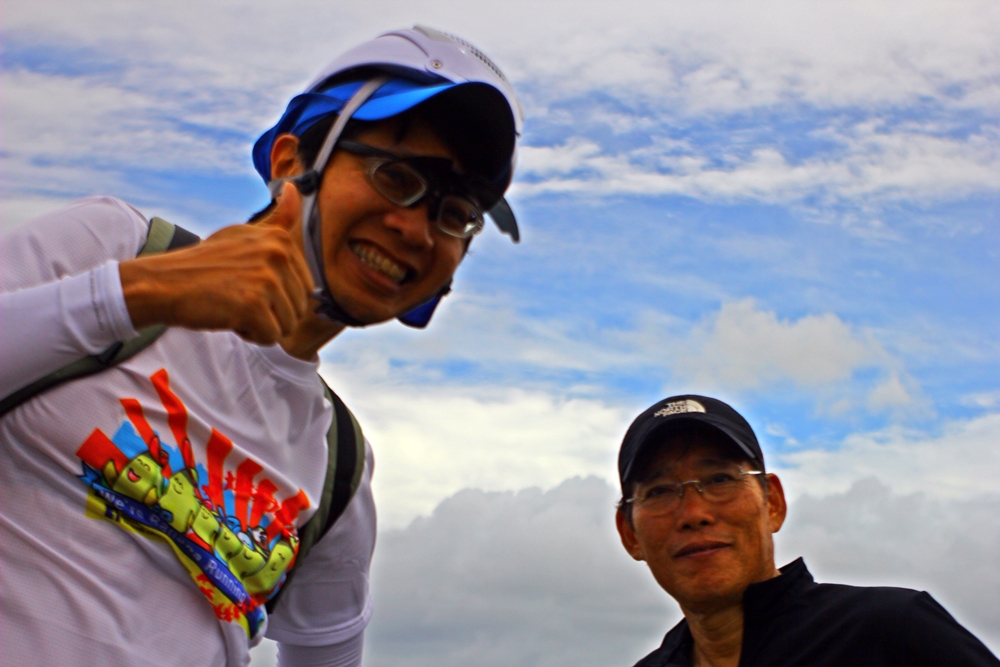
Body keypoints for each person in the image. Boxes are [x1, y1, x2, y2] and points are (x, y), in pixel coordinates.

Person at [0, 26, 522, 667]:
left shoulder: (338, 468)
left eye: (456, 213)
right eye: (396, 176)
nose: (416, 230)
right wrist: (135, 295)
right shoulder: (114, 249)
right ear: (290, 164)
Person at [614, 395, 1000, 667]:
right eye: (659, 491)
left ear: (773, 503)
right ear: (629, 534)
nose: (694, 513)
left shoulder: (889, 631)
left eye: (720, 479)